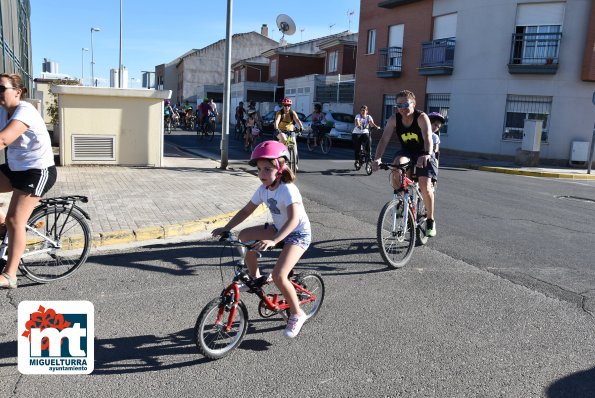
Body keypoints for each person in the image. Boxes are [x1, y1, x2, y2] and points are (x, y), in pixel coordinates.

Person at [212, 140, 312, 338]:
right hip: (278, 229)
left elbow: (293, 220)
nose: (261, 174)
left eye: (267, 169)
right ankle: (256, 277)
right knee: (244, 236)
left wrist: (274, 240)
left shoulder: (288, 190)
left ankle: (297, 313)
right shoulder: (263, 190)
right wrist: (227, 228)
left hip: (298, 234)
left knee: (279, 276)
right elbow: (247, 210)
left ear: (280, 168)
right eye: (259, 169)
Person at [0, 73, 57, 289]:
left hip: (37, 172)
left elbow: (3, 139)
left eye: (1, 88)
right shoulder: (2, 111)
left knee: (16, 220)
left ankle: (10, 275)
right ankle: (3, 228)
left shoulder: (26, 111)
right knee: (10, 223)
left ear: (17, 91)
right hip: (16, 169)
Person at [372, 90, 438, 237]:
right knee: (397, 166)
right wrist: (377, 158)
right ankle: (401, 202)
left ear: (413, 104)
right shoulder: (394, 119)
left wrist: (426, 154)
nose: (401, 108)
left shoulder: (421, 117)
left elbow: (428, 137)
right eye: (398, 105)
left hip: (424, 152)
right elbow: (383, 140)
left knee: (425, 186)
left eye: (405, 104)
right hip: (407, 152)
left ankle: (430, 221)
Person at [353, 105, 380, 169]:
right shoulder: (358, 116)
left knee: (368, 140)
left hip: (365, 133)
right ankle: (357, 160)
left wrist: (377, 127)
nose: (363, 111)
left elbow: (371, 123)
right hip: (356, 133)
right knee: (357, 148)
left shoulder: (368, 117)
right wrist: (359, 126)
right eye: (362, 110)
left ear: (367, 111)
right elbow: (357, 122)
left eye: (364, 110)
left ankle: (369, 156)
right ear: (360, 111)